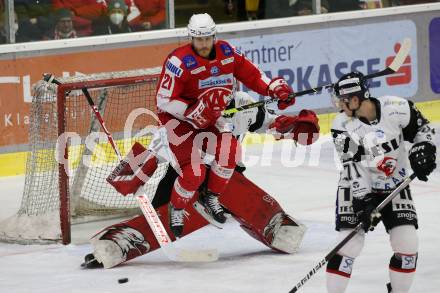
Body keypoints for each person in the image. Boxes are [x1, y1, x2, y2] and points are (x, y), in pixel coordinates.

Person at [82, 88, 319, 269]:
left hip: (224, 173)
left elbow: (272, 122)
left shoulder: (244, 104)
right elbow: (158, 148)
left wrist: (295, 126)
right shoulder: (184, 111)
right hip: (185, 171)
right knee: (159, 214)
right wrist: (134, 174)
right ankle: (119, 243)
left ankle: (271, 223)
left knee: (227, 178)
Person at [154, 13, 297, 238]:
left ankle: (211, 198)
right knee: (193, 173)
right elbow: (163, 100)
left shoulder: (227, 53)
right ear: (191, 37)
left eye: (207, 38)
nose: (203, 44)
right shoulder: (178, 62)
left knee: (230, 152)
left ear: (214, 36)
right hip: (179, 122)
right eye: (198, 39)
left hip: (211, 118)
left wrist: (274, 89)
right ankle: (177, 208)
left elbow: (253, 75)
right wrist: (191, 112)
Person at [327, 71, 437, 293]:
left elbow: (424, 130)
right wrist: (364, 201)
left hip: (394, 183)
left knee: (407, 244)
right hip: (354, 185)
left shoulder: (397, 107)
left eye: (343, 101)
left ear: (356, 100)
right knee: (349, 243)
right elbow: (352, 165)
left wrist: (424, 147)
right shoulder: (341, 125)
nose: (339, 106)